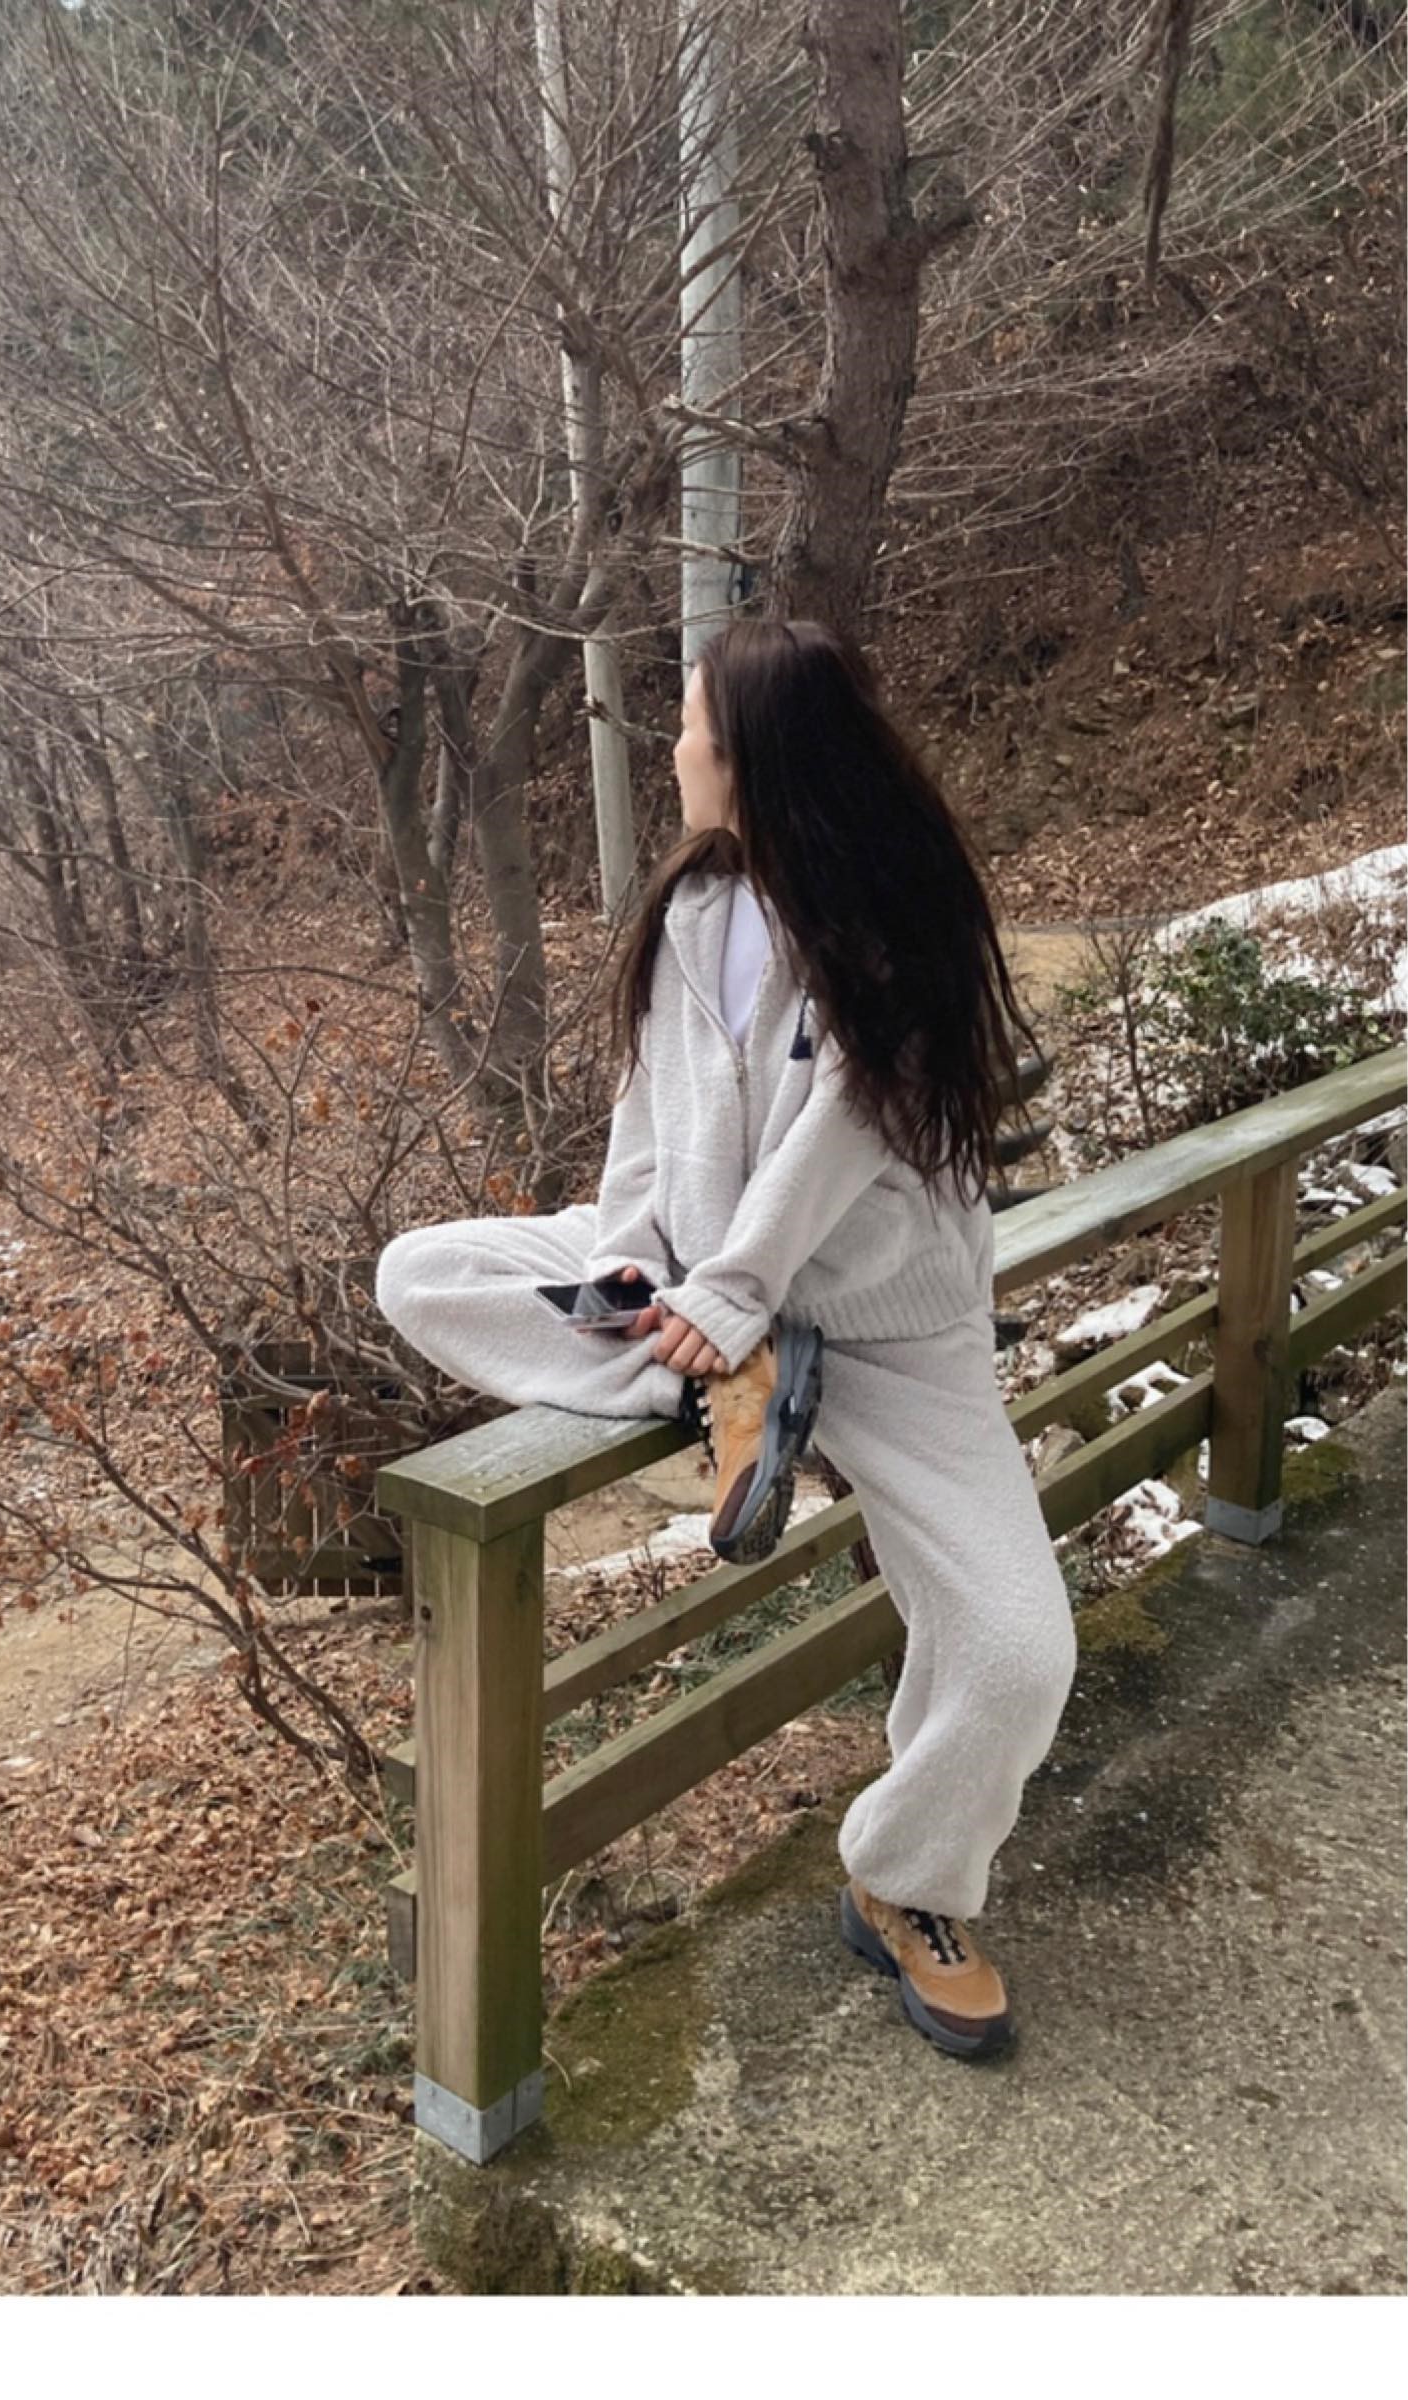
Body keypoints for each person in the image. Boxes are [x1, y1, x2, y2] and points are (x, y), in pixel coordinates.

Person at [374, 617, 1077, 2060]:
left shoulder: (897, 910)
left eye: (692, 724)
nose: (677, 747)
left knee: (1015, 1652)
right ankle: (711, 1386)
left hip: (885, 1334)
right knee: (421, 1271)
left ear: (750, 751)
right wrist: (638, 1266)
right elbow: (641, 1137)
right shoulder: (690, 911)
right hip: (703, 1292)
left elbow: (856, 1123)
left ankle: (905, 1880)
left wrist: (742, 1288)